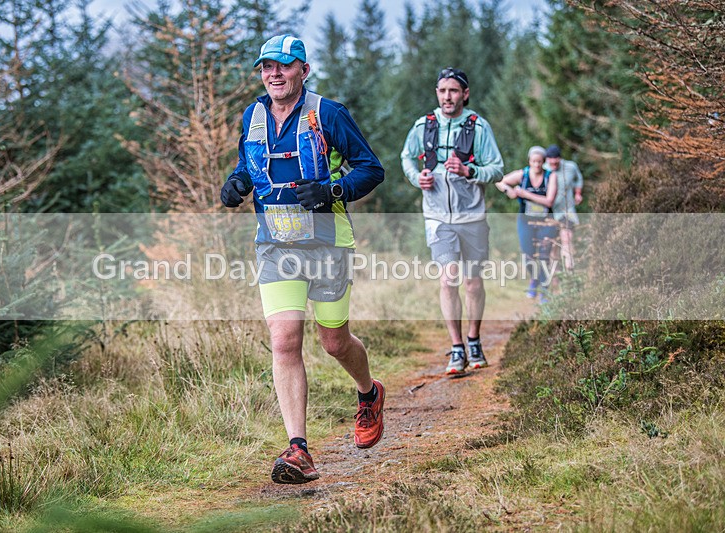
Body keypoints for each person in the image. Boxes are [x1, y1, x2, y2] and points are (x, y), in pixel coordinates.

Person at [220, 35, 386, 485]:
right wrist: (234, 184)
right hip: (274, 244)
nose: (274, 74)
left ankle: (369, 393)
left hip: (328, 242)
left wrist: (334, 190)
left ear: (303, 70)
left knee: (334, 342)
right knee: (284, 340)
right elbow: (247, 167)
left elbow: (371, 168)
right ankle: (298, 449)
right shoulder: (252, 116)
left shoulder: (327, 113)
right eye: (267, 67)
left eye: (284, 66)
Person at [400, 68, 504, 376]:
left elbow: (497, 169)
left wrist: (471, 172)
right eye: (443, 90)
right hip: (437, 217)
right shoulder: (424, 125)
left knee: (472, 283)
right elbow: (406, 157)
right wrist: (416, 178)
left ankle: (474, 338)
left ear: (465, 94)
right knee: (448, 279)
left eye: (454, 91)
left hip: (471, 215)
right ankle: (456, 346)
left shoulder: (478, 127)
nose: (448, 96)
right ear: (437, 93)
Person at [496, 146, 558, 303]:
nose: (536, 165)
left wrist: (525, 194)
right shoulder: (522, 175)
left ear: (543, 162)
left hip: (546, 221)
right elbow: (499, 180)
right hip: (526, 220)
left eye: (539, 162)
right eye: (533, 161)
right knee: (528, 254)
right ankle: (534, 279)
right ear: (529, 161)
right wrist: (508, 191)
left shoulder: (551, 177)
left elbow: (549, 201)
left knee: (544, 255)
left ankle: (544, 288)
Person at [544, 144, 583, 271]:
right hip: (549, 213)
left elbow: (578, 179)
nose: (553, 161)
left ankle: (569, 270)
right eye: (550, 159)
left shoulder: (571, 167)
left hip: (567, 210)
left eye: (556, 158)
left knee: (567, 239)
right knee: (552, 246)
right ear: (547, 159)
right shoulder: (542, 169)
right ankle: (555, 277)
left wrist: (578, 193)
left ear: (560, 158)